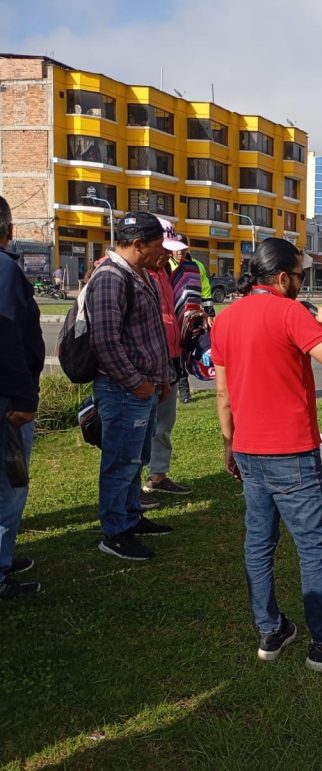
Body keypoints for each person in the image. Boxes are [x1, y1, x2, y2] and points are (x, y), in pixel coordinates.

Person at [211, 237, 322, 671]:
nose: (303, 283)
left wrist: (229, 444)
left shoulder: (225, 319)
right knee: (313, 546)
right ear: (282, 278)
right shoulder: (290, 313)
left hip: (248, 449)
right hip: (292, 453)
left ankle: (270, 628)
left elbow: (223, 395)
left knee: (259, 543)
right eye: (301, 276)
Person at [86, 212, 180, 561]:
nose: (164, 253)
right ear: (138, 244)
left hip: (147, 388)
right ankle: (115, 532)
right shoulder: (111, 278)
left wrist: (161, 379)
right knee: (120, 462)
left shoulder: (140, 274)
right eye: (158, 247)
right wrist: (137, 382)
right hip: (123, 390)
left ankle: (130, 516)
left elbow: (149, 333)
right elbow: (106, 342)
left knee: (135, 459)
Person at [0, 195, 44, 599]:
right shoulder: (6, 272)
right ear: (9, 231)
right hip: (7, 403)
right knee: (9, 485)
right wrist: (24, 398)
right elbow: (10, 341)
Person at [142, 219, 192, 498]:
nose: (167, 254)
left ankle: (158, 475)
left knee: (164, 423)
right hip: (146, 363)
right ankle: (130, 487)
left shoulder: (163, 271)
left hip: (170, 358)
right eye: (162, 248)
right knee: (140, 427)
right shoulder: (132, 272)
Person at [168, 237, 215, 404]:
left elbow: (205, 289)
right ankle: (183, 388)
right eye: (176, 248)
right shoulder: (166, 266)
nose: (180, 251)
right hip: (173, 318)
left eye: (183, 247)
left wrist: (208, 312)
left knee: (192, 351)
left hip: (195, 317)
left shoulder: (197, 266)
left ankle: (199, 373)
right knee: (178, 355)